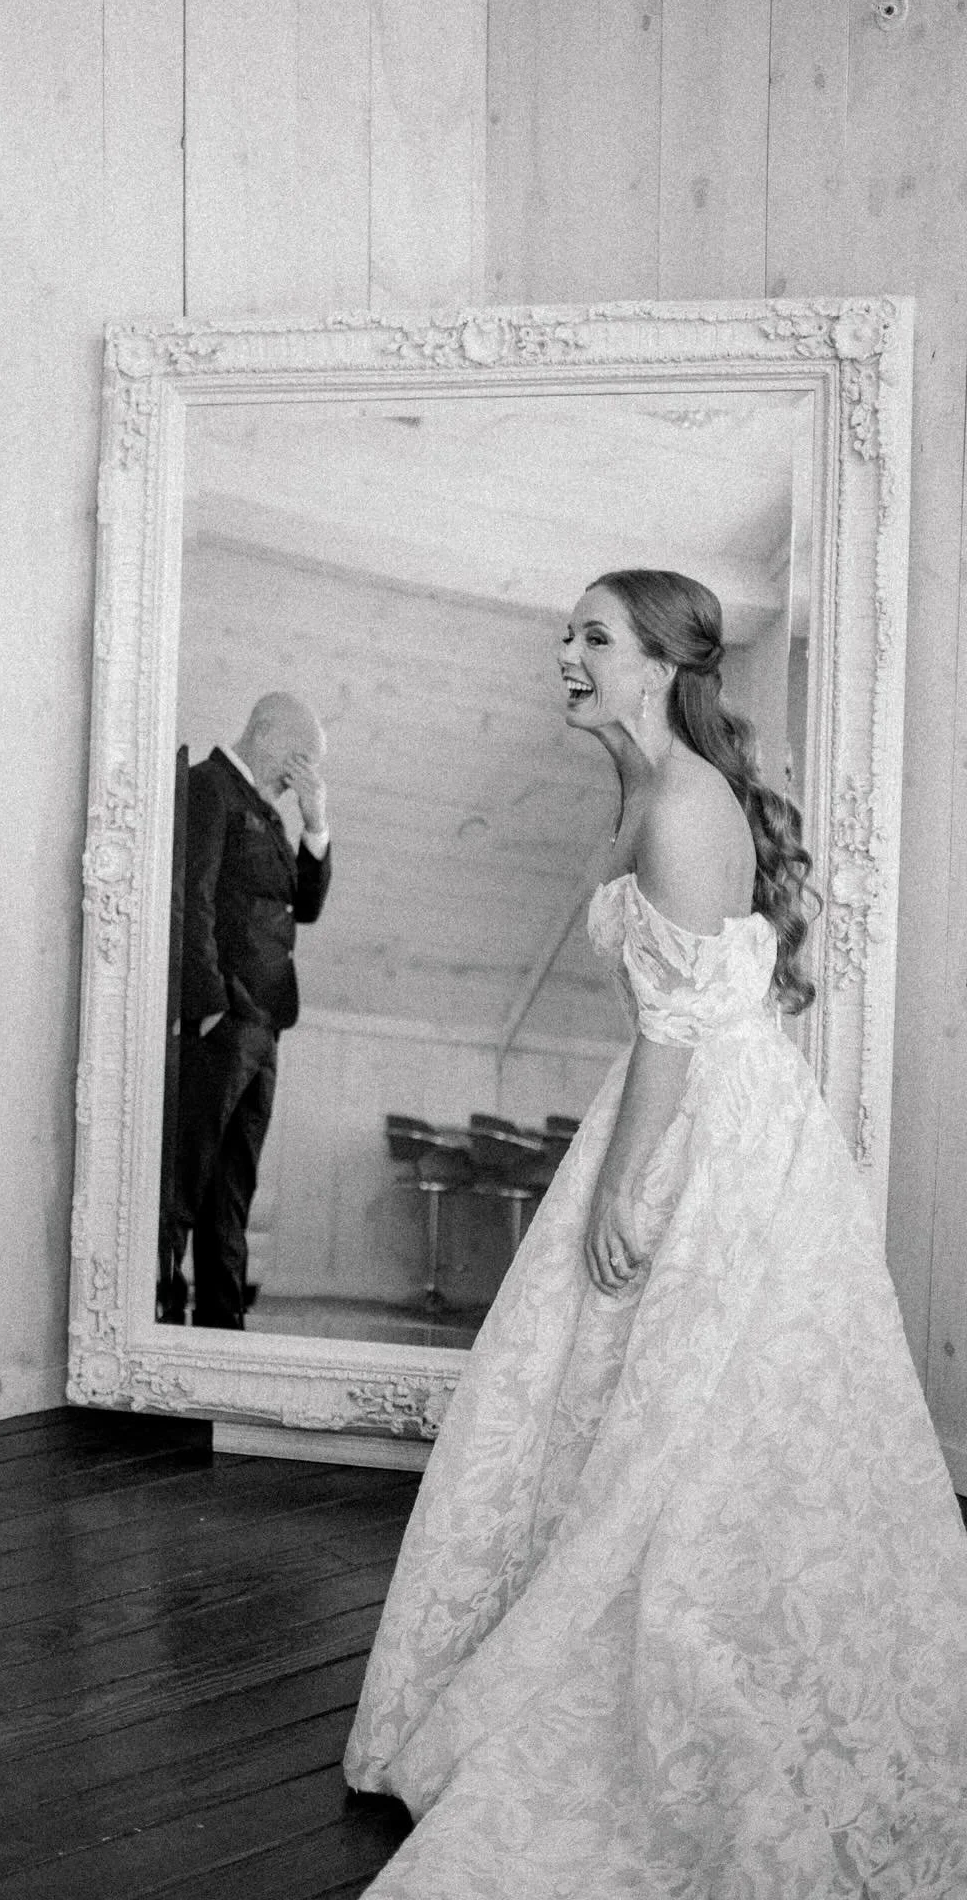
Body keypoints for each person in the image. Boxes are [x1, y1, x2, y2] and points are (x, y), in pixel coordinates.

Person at [345, 569, 967, 1896]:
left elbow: (681, 1030)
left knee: (684, 1405)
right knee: (626, 1408)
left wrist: (625, 1188)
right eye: (565, 632)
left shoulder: (682, 804)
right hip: (679, 1098)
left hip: (705, 1126)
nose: (563, 653)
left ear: (662, 663)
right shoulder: (641, 787)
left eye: (594, 636)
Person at [159, 693, 332, 1328]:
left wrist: (316, 825)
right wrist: (205, 1006)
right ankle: (156, 1314)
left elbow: (305, 908)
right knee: (184, 1179)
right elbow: (191, 897)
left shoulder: (270, 814)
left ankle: (223, 1327)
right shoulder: (208, 788)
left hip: (266, 1026)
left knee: (232, 1192)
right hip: (222, 1021)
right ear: (263, 732)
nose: (301, 774)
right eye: (299, 758)